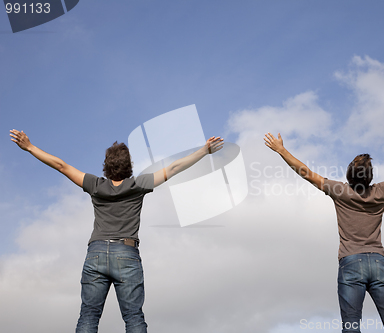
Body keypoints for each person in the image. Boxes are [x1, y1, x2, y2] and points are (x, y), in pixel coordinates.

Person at [10, 129, 224, 333]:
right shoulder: (138, 184)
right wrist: (204, 151)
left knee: (89, 316)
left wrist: (30, 147)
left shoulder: (95, 185)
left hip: (96, 254)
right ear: (129, 166)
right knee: (133, 317)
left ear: (106, 166)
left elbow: (61, 166)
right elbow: (174, 168)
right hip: (127, 254)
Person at [264, 132, 384, 333]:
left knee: (351, 327)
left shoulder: (340, 191)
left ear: (348, 174)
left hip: (351, 262)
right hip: (379, 262)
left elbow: (307, 173)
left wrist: (281, 150)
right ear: (370, 176)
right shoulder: (382, 191)